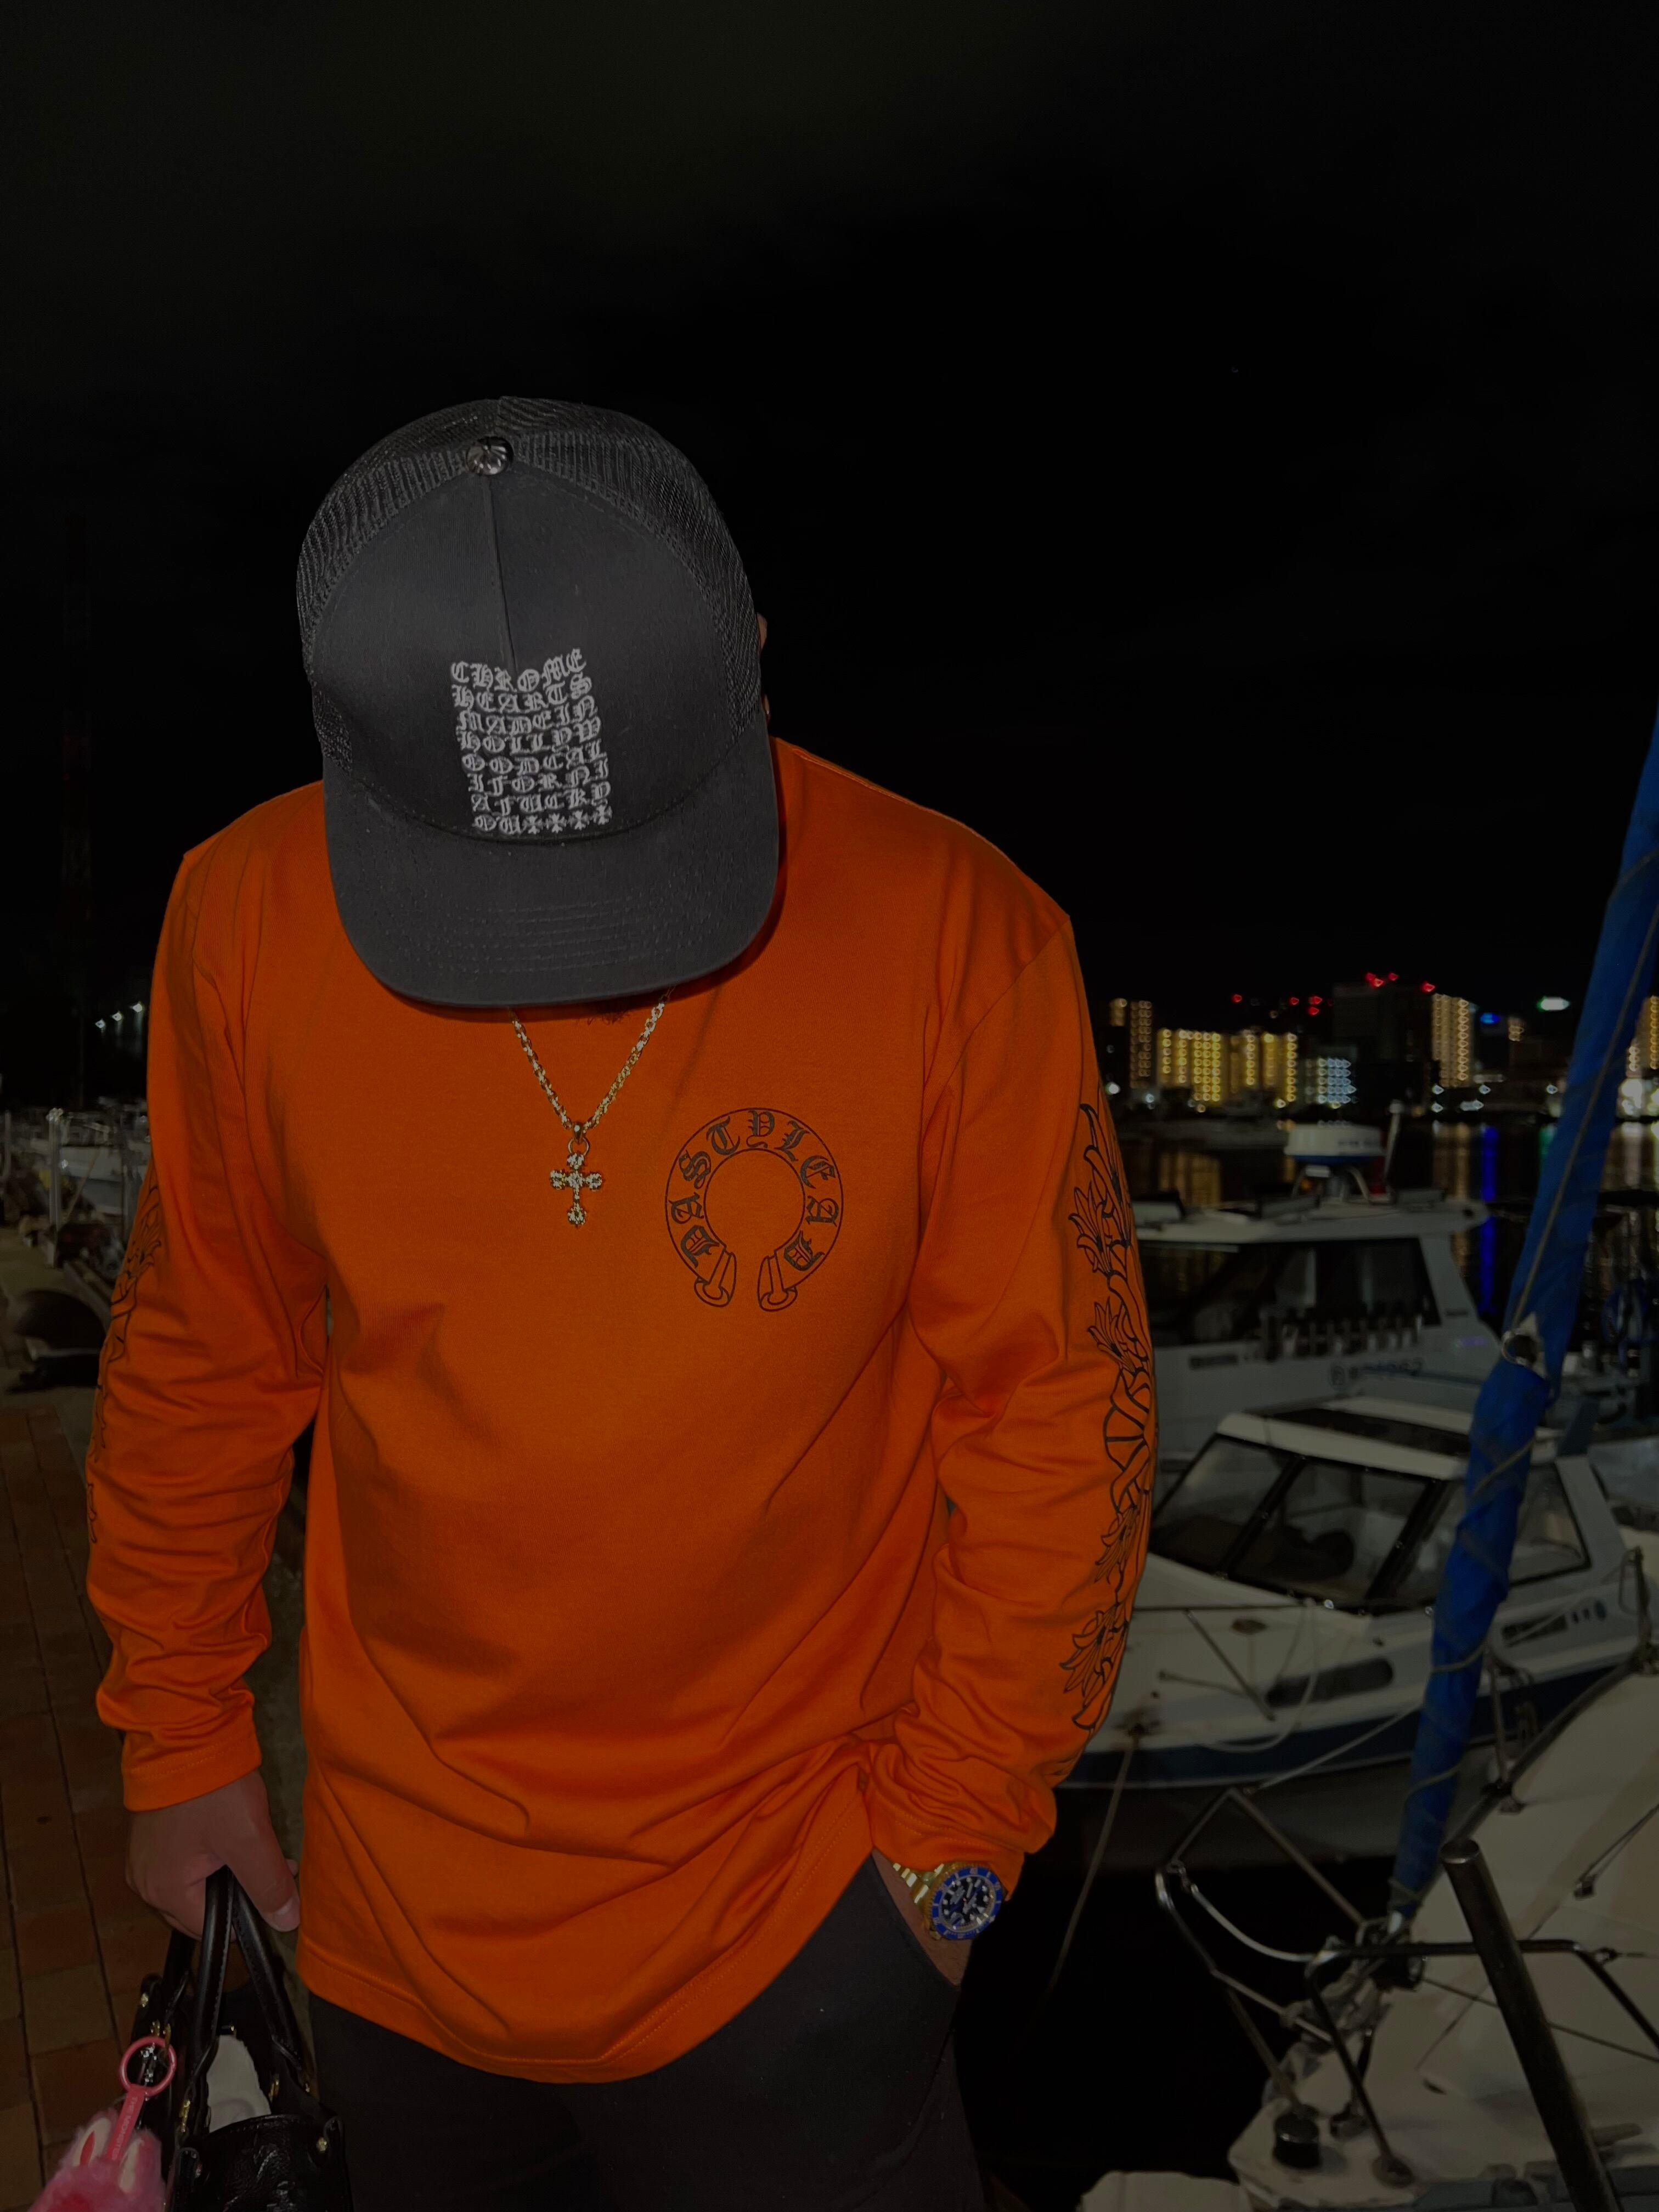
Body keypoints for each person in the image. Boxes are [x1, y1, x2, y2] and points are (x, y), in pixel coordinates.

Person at [86, 398, 1155, 2212]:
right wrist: (176, 1743)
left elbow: (1066, 1421)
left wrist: (952, 1884)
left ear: (755, 648)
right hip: (384, 1938)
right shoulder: (246, 911)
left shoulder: (958, 925)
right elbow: (207, 1344)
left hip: (811, 1940)